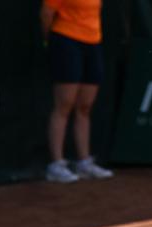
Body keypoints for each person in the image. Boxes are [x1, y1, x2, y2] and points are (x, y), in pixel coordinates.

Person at [41, 0, 114, 182]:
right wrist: (48, 41)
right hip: (66, 40)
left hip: (93, 42)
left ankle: (84, 162)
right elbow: (46, 13)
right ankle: (56, 164)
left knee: (85, 106)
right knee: (64, 105)